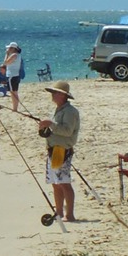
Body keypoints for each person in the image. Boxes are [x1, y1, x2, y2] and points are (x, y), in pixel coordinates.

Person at [38, 82, 80, 222]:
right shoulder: (59, 109)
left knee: (64, 183)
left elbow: (67, 131)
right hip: (53, 150)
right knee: (55, 183)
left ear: (63, 95)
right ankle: (59, 213)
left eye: (55, 93)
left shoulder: (70, 112)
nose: (53, 95)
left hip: (62, 150)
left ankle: (70, 215)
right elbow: (56, 129)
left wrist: (50, 124)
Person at [2, 42, 22, 111]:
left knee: (13, 92)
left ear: (13, 48)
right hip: (16, 75)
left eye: (10, 48)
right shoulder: (18, 55)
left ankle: (15, 108)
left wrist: (6, 54)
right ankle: (15, 107)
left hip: (11, 76)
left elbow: (5, 63)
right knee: (15, 92)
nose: (8, 49)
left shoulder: (14, 55)